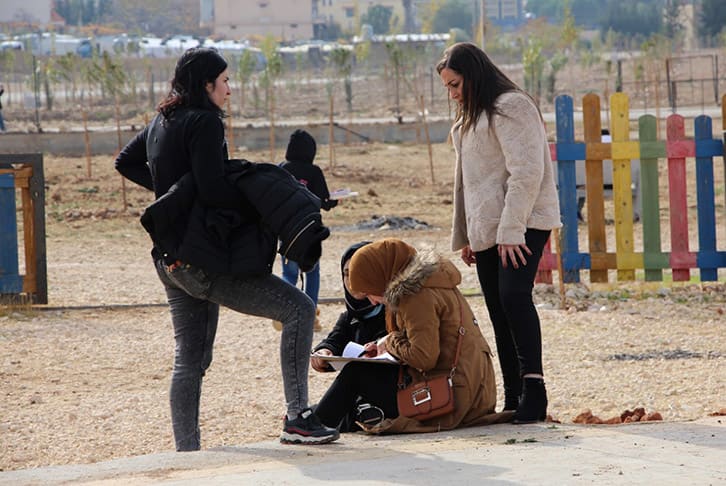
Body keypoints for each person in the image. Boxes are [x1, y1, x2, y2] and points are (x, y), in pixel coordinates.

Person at [114, 47, 339, 450]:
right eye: (225, 81)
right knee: (299, 309)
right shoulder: (205, 123)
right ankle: (298, 418)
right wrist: (257, 202)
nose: (229, 90)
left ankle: (187, 451)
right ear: (207, 85)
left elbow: (125, 162)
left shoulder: (162, 120)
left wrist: (171, 194)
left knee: (190, 357)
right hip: (203, 259)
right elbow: (216, 189)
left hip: (170, 258)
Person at [436, 42, 561, 423]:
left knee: (513, 296)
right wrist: (470, 236)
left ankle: (535, 392)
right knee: (497, 307)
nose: (453, 94)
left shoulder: (512, 106)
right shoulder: (470, 117)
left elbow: (526, 172)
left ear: (473, 75)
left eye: (456, 84)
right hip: (488, 229)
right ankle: (514, 396)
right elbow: (467, 183)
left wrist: (511, 230)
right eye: (448, 87)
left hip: (525, 221)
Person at [313, 238, 510, 434]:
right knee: (360, 381)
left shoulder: (415, 296)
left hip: (452, 397)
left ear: (381, 276)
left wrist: (389, 341)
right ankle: (317, 421)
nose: (372, 301)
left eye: (370, 292)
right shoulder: (431, 282)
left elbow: (423, 358)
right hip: (472, 391)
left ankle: (315, 426)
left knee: (356, 373)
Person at [310, 241, 388, 431]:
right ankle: (359, 413)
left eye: (359, 271)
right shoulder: (350, 316)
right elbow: (335, 339)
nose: (352, 279)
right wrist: (324, 352)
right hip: (360, 392)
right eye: (347, 273)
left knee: (356, 371)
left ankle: (317, 425)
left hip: (396, 388)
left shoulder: (394, 309)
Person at [273, 129, 338, 331]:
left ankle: (282, 311)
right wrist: (336, 200)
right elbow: (324, 202)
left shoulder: (282, 168)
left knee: (289, 273)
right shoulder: (314, 172)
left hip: (286, 229)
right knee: (312, 272)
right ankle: (310, 316)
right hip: (310, 231)